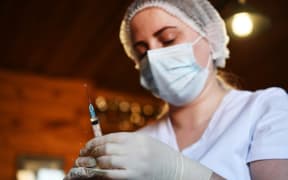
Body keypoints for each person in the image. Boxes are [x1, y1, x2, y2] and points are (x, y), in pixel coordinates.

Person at [64, 0, 288, 179]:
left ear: (209, 37)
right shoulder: (138, 144)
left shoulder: (265, 108)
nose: (153, 57)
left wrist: (180, 172)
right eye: (142, 52)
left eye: (168, 40)